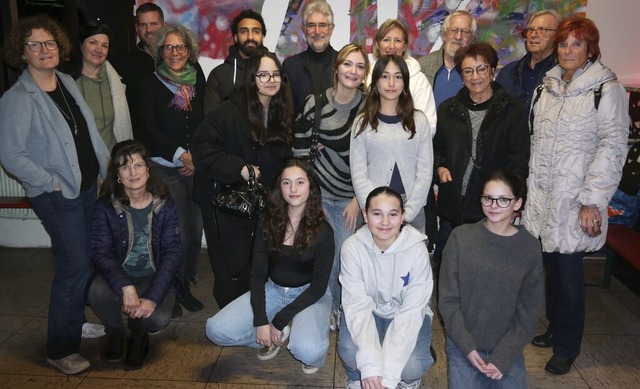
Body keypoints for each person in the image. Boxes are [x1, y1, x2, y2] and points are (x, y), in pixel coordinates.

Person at [0, 14, 110, 375]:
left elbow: (87, 133)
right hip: (57, 195)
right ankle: (60, 348)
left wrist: (103, 171)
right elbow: (10, 154)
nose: (44, 50)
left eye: (49, 42)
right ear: (22, 50)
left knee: (85, 259)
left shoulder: (65, 80)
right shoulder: (17, 98)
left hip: (87, 186)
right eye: (34, 44)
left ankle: (75, 321)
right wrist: (50, 181)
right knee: (73, 265)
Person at [523, 17, 628, 375]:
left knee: (568, 274)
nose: (568, 50)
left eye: (576, 44)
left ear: (590, 49)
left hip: (575, 199)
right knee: (551, 269)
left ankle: (568, 345)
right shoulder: (547, 86)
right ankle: (555, 327)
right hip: (543, 195)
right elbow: (536, 141)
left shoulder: (606, 89)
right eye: (564, 44)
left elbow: (613, 148)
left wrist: (592, 199)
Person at [206, 159, 333, 374]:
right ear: (279, 187)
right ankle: (273, 338)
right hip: (274, 290)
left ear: (311, 186)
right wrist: (261, 321)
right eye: (286, 183)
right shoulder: (268, 221)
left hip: (310, 294)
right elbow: (257, 274)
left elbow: (318, 288)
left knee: (307, 351)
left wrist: (278, 321)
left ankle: (303, 333)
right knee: (214, 331)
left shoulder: (324, 231)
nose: (293, 189)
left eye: (300, 182)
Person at [193, 48, 293, 308]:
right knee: (231, 265)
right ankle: (231, 316)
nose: (271, 80)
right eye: (263, 74)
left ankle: (252, 312)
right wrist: (239, 167)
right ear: (251, 78)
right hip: (222, 199)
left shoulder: (279, 111)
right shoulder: (229, 110)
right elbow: (201, 147)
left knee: (255, 260)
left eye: (276, 74)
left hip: (257, 200)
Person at [432, 42, 530, 277]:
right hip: (452, 204)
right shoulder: (449, 109)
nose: (475, 76)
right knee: (448, 268)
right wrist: (440, 166)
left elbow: (518, 160)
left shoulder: (511, 110)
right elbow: (436, 149)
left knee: (483, 272)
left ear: (493, 70)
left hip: (490, 208)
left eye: (482, 69)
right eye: (468, 71)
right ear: (461, 75)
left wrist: (512, 201)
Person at [439, 169, 543, 388]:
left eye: (504, 199)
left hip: (506, 347)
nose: (494, 205)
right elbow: (448, 301)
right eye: (488, 198)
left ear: (517, 203)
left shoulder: (529, 247)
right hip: (463, 344)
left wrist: (503, 357)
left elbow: (529, 311)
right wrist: (467, 347)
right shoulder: (460, 237)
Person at [292, 43, 369, 330]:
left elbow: (372, 158)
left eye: (360, 66)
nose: (353, 71)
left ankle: (338, 307)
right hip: (318, 197)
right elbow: (299, 150)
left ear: (365, 74)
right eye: (348, 64)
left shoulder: (368, 106)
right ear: (337, 68)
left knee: (344, 260)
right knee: (318, 257)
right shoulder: (316, 103)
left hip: (352, 199)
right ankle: (319, 310)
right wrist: (312, 201)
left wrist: (357, 200)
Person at [130, 24, 205, 318]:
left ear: (190, 51)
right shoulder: (147, 84)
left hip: (194, 167)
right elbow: (146, 129)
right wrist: (180, 156)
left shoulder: (197, 78)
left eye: (180, 47)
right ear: (160, 51)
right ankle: (168, 290)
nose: (175, 53)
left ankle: (184, 284)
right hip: (164, 169)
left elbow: (204, 122)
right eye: (169, 48)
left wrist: (194, 158)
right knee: (175, 234)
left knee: (195, 230)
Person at [89, 140, 181, 368]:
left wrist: (152, 297)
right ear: (117, 175)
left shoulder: (165, 204)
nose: (133, 172)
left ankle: (138, 334)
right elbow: (101, 253)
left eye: (138, 165)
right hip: (119, 275)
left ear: (148, 170)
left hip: (153, 275)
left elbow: (171, 254)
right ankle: (116, 332)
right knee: (97, 291)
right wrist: (126, 287)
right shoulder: (105, 207)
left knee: (157, 318)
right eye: (125, 167)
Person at [339, 186, 434, 389]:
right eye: (376, 214)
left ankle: (408, 382)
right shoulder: (352, 248)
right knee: (349, 350)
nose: (384, 222)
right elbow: (356, 306)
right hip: (368, 311)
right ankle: (357, 379)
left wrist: (389, 376)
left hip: (404, 313)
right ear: (365, 215)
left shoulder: (417, 251)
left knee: (412, 366)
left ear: (402, 216)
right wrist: (370, 367)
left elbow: (411, 312)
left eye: (392, 214)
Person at [350, 55, 433, 233]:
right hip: (372, 215)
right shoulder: (361, 123)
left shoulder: (419, 121)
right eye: (385, 76)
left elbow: (425, 171)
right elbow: (358, 173)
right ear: (376, 81)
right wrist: (376, 211)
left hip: (412, 212)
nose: (391, 83)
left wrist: (406, 214)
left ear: (405, 82)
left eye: (398, 77)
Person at [74, 22, 133, 152]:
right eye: (93, 42)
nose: (99, 49)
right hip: (82, 159)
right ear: (81, 45)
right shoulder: (68, 82)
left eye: (104, 45)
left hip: (112, 159)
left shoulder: (114, 81)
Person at [370, 18, 437, 130]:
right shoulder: (367, 76)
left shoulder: (418, 80)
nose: (391, 46)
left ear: (405, 46)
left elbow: (428, 127)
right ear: (377, 44)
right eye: (386, 40)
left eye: (397, 41)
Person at [496, 10, 561, 113]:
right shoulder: (507, 73)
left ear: (557, 35)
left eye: (542, 30)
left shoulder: (562, 74)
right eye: (530, 30)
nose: (533, 35)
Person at [204, 9, 266, 113]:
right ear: (236, 37)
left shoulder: (275, 73)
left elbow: (284, 114)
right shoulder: (218, 74)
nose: (250, 37)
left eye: (256, 31)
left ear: (262, 37)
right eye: (244, 31)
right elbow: (211, 120)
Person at [282, 0, 338, 116]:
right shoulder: (290, 66)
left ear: (331, 29)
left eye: (322, 25)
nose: (317, 31)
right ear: (303, 29)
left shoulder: (344, 64)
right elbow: (285, 112)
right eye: (311, 25)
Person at [418, 10, 476, 108]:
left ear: (471, 38)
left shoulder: (477, 72)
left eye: (465, 32)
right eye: (453, 30)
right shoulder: (422, 67)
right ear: (444, 34)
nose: (458, 37)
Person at [121, 2, 164, 91]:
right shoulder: (126, 64)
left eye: (154, 24)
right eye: (143, 25)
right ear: (137, 28)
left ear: (163, 26)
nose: (149, 30)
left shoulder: (178, 57)